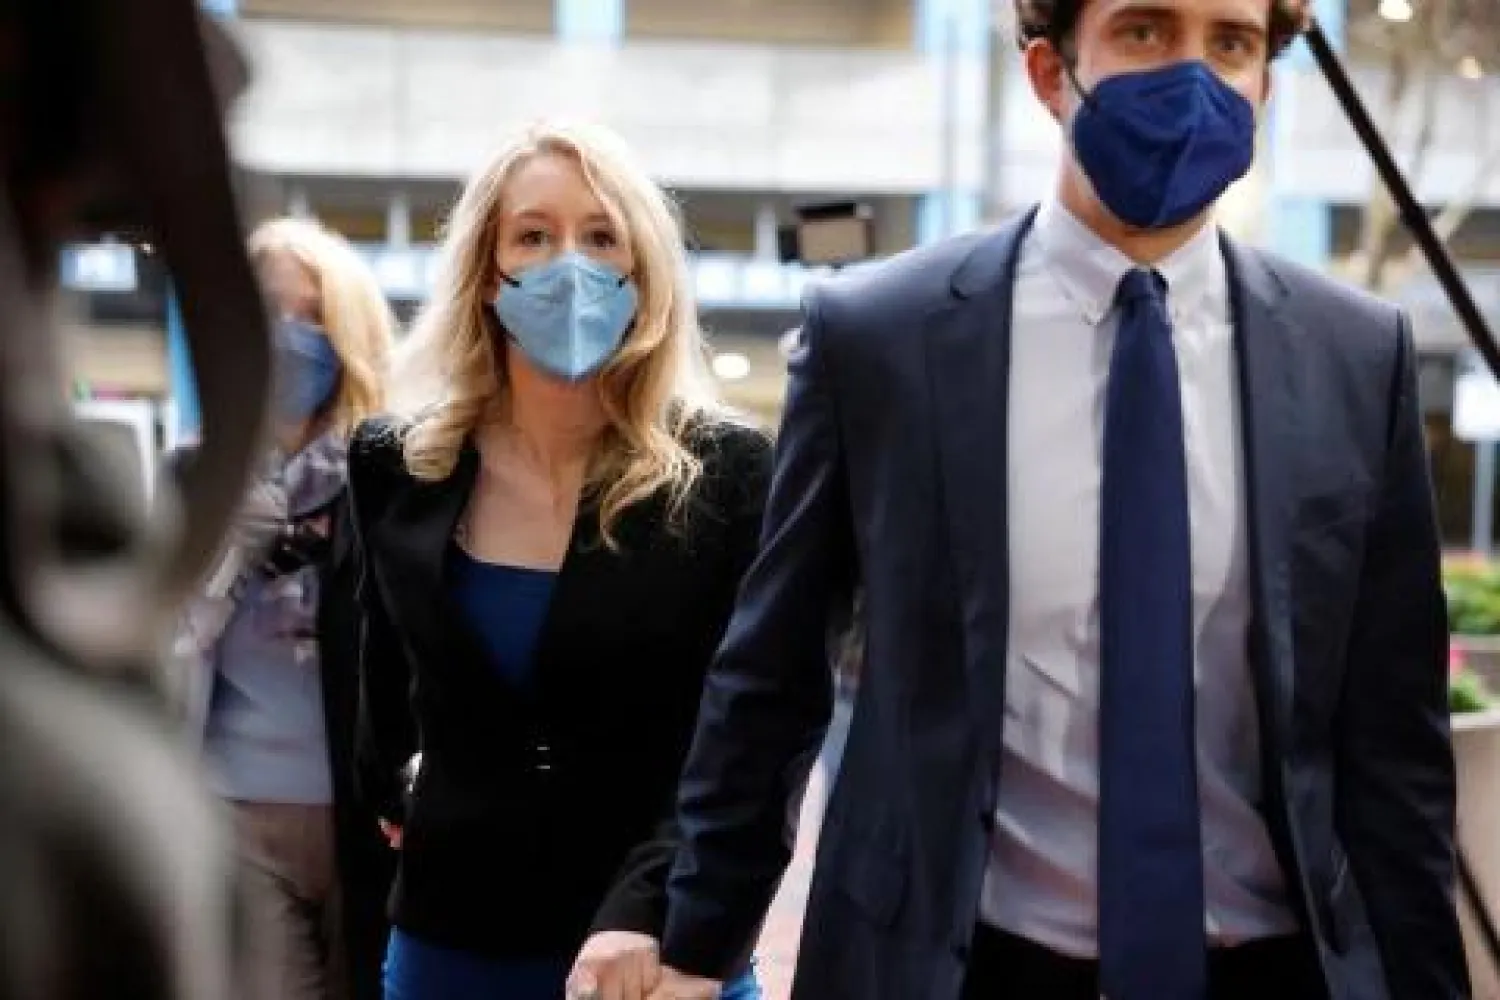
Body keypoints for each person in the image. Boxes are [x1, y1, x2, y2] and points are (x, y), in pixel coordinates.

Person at [652, 0, 1471, 997]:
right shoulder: (881, 337)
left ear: (1266, 79)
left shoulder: (1355, 354)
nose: (1193, 76)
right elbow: (771, 677)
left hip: (1269, 965)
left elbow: (1393, 747)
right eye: (1144, 31)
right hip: (960, 965)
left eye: (1232, 44)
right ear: (1049, 72)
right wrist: (696, 944)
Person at [344, 120, 769, 1000]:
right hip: (452, 942)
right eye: (533, 235)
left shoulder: (727, 472)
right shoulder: (396, 462)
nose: (567, 264)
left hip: (655, 954)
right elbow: (384, 673)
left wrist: (651, 906)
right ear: (486, 274)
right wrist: (399, 786)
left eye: (602, 235)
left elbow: (747, 738)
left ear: (643, 271)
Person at [172, 216, 398, 1000]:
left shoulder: (389, 477)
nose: (291, 336)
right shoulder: (193, 473)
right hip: (233, 807)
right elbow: (155, 646)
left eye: (313, 316)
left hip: (364, 818)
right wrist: (220, 553)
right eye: (270, 312)